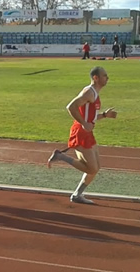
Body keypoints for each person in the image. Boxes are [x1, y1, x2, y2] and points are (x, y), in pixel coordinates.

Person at [48, 66, 117, 204]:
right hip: (80, 132)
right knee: (92, 168)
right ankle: (60, 156)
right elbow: (71, 107)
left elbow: (89, 116)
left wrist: (104, 115)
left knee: (95, 168)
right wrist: (84, 123)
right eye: (104, 75)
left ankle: (77, 195)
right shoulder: (89, 92)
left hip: (87, 132)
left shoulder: (95, 94)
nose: (107, 78)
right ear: (96, 78)